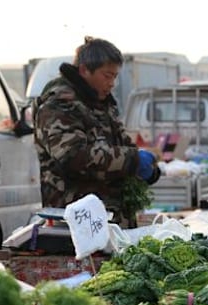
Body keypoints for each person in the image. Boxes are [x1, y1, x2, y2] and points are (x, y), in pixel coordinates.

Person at [33, 37, 160, 227]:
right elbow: (74, 156)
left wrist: (146, 169)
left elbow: (122, 144)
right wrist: (132, 160)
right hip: (77, 222)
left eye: (115, 77)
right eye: (107, 76)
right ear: (84, 70)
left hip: (111, 219)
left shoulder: (102, 104)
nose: (112, 83)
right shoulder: (60, 105)